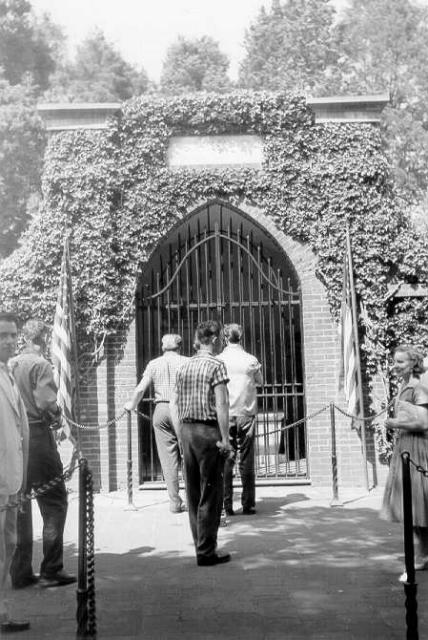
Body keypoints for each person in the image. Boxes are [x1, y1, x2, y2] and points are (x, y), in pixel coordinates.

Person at [9, 319, 76, 589]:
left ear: (23, 337)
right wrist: (59, 419)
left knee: (20, 503)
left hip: (14, 438)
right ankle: (51, 570)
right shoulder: (40, 364)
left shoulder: (10, 364)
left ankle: (21, 572)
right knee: (55, 501)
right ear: (44, 337)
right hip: (37, 436)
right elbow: (47, 402)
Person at [171, 320, 234, 567]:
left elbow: (174, 403)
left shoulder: (184, 367)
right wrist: (226, 437)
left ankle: (201, 544)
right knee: (211, 490)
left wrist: (179, 433)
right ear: (216, 339)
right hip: (208, 431)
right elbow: (222, 404)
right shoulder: (217, 365)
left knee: (193, 489)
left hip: (187, 429)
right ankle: (207, 551)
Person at [125, 334, 188, 513]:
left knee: (168, 460)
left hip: (161, 409)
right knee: (188, 456)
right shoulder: (187, 362)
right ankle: (192, 500)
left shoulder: (153, 364)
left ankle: (174, 502)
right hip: (182, 409)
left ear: (162, 347)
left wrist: (131, 405)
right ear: (180, 346)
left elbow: (140, 389)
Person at [381, 344, 428, 572]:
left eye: (401, 362)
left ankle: (423, 554)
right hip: (405, 445)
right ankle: (424, 554)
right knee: (413, 507)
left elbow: (423, 423)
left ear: (413, 363)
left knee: (419, 504)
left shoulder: (418, 387)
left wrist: (394, 423)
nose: (395, 366)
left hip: (416, 448)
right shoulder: (405, 386)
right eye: (395, 361)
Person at [0, 312, 30, 633]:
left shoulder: (8, 374)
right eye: (2, 335)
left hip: (12, 479)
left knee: (8, 547)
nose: (9, 341)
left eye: (12, 335)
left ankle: (2, 611)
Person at [218, 323, 262, 516]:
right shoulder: (250, 359)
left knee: (226, 460)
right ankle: (249, 504)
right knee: (246, 460)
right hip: (246, 413)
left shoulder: (218, 360)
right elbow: (261, 381)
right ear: (241, 337)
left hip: (226, 415)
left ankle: (226, 504)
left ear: (225, 338)